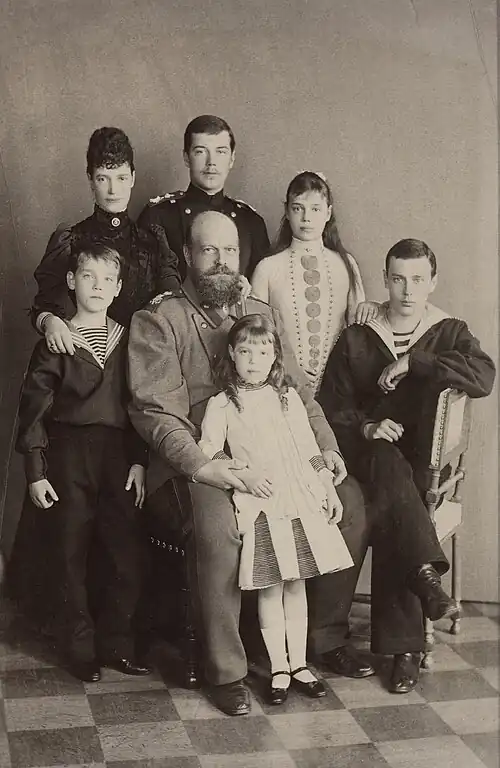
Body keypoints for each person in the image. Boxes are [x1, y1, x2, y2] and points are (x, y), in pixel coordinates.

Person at [128, 209, 372, 716]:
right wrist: (203, 466)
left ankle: (308, 645)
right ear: (188, 257)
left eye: (231, 251)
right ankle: (228, 671)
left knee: (348, 505)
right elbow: (156, 412)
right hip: (201, 462)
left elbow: (302, 397)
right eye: (209, 251)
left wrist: (327, 453)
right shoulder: (160, 318)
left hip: (278, 459)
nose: (222, 262)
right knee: (219, 531)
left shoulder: (260, 311)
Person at [317, 238, 496, 693]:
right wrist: (367, 429)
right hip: (360, 455)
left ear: (433, 281)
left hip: (417, 463)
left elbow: (483, 376)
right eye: (398, 278)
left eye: (418, 279)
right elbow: (329, 405)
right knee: (390, 475)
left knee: (397, 494)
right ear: (385, 280)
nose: (408, 290)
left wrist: (415, 362)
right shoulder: (358, 335)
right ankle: (413, 627)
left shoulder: (448, 331)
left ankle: (381, 640)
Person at [13, 243, 152, 683]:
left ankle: (117, 642)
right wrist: (36, 471)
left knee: (123, 552)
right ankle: (80, 646)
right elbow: (33, 410)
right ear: (71, 282)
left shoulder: (128, 340)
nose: (97, 286)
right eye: (88, 277)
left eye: (106, 279)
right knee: (70, 552)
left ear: (118, 288)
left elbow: (140, 406)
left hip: (117, 456)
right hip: (68, 453)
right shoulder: (57, 341)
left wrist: (140, 461)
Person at [198, 314, 354, 704]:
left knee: (296, 584)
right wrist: (242, 474)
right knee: (271, 587)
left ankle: (300, 663)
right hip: (259, 502)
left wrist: (327, 490)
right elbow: (210, 450)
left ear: (275, 357)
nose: (254, 360)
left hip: (297, 499)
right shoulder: (222, 404)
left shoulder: (287, 399)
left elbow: (309, 449)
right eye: (246, 351)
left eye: (264, 352)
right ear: (232, 354)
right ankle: (279, 668)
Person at [32, 126, 180, 355]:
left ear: (132, 178)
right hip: (86, 366)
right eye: (103, 178)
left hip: (143, 365)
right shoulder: (70, 240)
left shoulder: (153, 242)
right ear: (90, 180)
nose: (113, 190)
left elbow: (173, 306)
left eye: (121, 178)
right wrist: (49, 321)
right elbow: (43, 307)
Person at [251, 171, 377, 393]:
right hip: (281, 386)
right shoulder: (267, 268)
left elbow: (357, 332)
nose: (306, 218)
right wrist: (287, 368)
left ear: (328, 213)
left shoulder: (346, 264)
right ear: (287, 212)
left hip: (337, 389)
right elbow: (255, 335)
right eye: (298, 208)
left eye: (315, 209)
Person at [138, 114, 270, 280]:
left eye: (220, 152)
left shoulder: (251, 222)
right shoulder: (159, 216)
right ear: (186, 157)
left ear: (232, 159)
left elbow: (260, 294)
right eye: (200, 152)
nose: (211, 162)